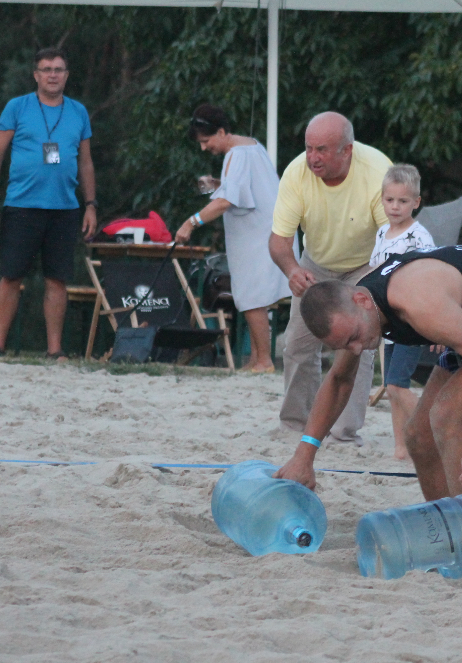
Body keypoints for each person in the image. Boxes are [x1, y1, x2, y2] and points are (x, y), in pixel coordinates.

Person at [274, 245, 462, 511]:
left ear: (362, 300)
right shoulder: (357, 312)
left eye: (354, 337)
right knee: (417, 434)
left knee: (446, 416)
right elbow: (339, 381)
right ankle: (448, 524)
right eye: (344, 345)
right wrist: (304, 456)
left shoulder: (419, 304)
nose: (356, 348)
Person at [269, 112, 392, 443]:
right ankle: (296, 425)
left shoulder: (379, 172)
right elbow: (279, 241)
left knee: (358, 342)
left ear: (347, 150)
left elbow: (394, 238)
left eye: (321, 150)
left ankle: (343, 432)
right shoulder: (297, 172)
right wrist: (292, 269)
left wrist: (378, 288)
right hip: (316, 262)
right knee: (297, 342)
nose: (312, 158)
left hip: (369, 262)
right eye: (309, 148)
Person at [0, 47, 97, 361]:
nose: (53, 75)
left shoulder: (78, 112)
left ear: (67, 75)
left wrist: (90, 204)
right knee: (11, 275)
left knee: (57, 278)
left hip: (65, 208)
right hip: (22, 204)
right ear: (36, 75)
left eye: (58, 69)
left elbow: (85, 163)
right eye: (46, 69)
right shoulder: (17, 107)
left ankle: (55, 349)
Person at [175, 104, 291, 372]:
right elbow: (244, 188)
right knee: (251, 297)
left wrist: (191, 223)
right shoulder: (252, 146)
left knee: (252, 298)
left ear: (222, 131)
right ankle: (255, 359)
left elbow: (226, 201)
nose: (204, 148)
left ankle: (263, 361)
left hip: (257, 235)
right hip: (265, 231)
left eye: (206, 141)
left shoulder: (235, 155)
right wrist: (217, 183)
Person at [368, 164, 436, 461]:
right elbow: (375, 271)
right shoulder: (382, 231)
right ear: (382, 199)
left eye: (403, 201)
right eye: (390, 200)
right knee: (393, 386)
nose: (395, 207)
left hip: (412, 320)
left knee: (396, 385)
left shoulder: (420, 238)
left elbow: (434, 279)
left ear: (416, 203)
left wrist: (435, 326)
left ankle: (436, 427)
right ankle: (401, 448)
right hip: (389, 321)